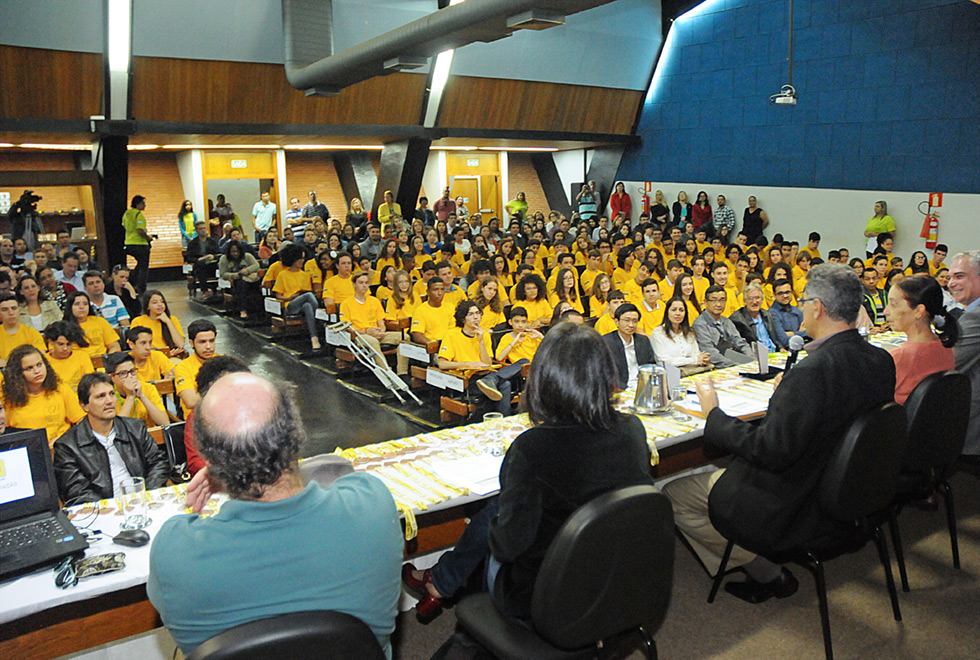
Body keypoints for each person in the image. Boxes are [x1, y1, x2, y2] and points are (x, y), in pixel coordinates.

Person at [663, 264, 896, 602]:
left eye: (803, 301)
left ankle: (765, 570)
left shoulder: (811, 373)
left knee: (676, 493)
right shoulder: (880, 360)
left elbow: (770, 450)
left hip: (797, 498)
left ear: (817, 307)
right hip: (850, 488)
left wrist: (714, 415)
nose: (801, 307)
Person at [403, 323, 655, 620]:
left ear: (544, 378)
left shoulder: (532, 447)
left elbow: (506, 545)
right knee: (503, 509)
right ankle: (442, 581)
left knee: (496, 515)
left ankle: (444, 583)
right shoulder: (632, 429)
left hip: (545, 594)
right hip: (613, 573)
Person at [147, 373, 402, 657]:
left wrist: (233, 469)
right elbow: (341, 475)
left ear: (209, 460)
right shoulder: (373, 505)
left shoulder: (174, 552)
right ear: (297, 434)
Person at [51, 372, 168, 506]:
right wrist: (112, 507)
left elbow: (158, 463)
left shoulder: (135, 428)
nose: (109, 401)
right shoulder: (67, 446)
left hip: (143, 501)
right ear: (84, 405)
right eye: (101, 396)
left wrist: (145, 495)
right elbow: (76, 492)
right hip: (102, 510)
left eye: (112, 394)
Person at [437, 300, 526, 414]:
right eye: (471, 314)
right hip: (467, 378)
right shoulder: (452, 335)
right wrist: (468, 364)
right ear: (463, 319)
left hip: (487, 374)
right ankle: (503, 421)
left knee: (523, 362)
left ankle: (492, 380)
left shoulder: (484, 335)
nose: (476, 317)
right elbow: (442, 364)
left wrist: (481, 342)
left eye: (478, 313)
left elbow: (487, 363)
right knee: (505, 384)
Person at [884, 275, 958, 405]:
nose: (886, 311)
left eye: (893, 305)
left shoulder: (898, 358)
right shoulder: (947, 349)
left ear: (918, 311)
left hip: (901, 423)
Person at [2, 344, 86, 447]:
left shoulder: (60, 389)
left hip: (62, 448)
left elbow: (82, 421)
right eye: (29, 368)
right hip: (26, 451)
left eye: (39, 365)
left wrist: (64, 440)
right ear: (18, 373)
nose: (37, 371)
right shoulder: (7, 398)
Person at [340, 271, 407, 374]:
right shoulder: (346, 304)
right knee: (372, 341)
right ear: (354, 284)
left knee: (405, 337)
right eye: (361, 283)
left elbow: (381, 322)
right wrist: (367, 331)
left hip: (376, 333)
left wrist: (380, 331)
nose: (364, 285)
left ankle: (402, 372)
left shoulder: (374, 301)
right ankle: (387, 372)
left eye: (366, 283)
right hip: (360, 336)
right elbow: (348, 328)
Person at [948, 251, 980, 462]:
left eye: (959, 276)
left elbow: (947, 363)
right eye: (950, 277)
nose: (951, 283)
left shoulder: (975, 318)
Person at [272, 244, 322, 354]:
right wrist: (289, 297)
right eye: (300, 259)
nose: (302, 261)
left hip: (303, 303)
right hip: (290, 305)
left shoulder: (305, 275)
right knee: (309, 295)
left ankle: (314, 339)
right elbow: (278, 295)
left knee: (308, 305)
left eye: (303, 258)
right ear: (293, 259)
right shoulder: (283, 275)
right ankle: (318, 315)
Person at [692, 285, 754, 368]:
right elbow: (711, 353)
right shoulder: (700, 324)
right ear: (705, 302)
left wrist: (752, 359)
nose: (718, 304)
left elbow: (740, 342)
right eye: (714, 300)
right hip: (716, 367)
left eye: (722, 300)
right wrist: (737, 365)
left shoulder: (726, 321)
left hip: (736, 362)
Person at [104, 351, 170, 428]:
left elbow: (165, 422)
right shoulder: (107, 396)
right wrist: (130, 397)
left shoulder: (148, 388)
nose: (130, 377)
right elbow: (116, 430)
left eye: (132, 371)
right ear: (112, 377)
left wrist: (142, 396)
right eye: (123, 373)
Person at [601, 303, 656, 390]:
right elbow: (605, 373)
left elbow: (651, 365)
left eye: (635, 321)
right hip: (621, 389)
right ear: (617, 322)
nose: (631, 325)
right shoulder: (606, 342)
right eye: (627, 320)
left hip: (644, 386)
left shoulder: (643, 340)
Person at [174, 320, 217, 418]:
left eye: (211, 341)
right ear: (192, 343)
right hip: (197, 424)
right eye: (202, 342)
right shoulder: (183, 368)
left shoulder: (222, 361)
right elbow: (191, 401)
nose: (208, 346)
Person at [652, 297, 712, 369]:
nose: (678, 313)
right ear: (667, 312)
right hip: (669, 374)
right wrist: (694, 360)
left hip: (692, 372)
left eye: (681, 310)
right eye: (674, 310)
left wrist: (703, 359)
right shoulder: (658, 333)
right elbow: (664, 361)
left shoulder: (689, 332)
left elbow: (696, 353)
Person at [729, 283, 790, 352]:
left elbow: (774, 339)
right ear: (745, 301)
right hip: (756, 356)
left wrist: (781, 348)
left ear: (762, 300)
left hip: (774, 354)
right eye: (750, 298)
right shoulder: (737, 319)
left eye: (757, 298)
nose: (754, 302)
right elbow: (741, 347)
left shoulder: (767, 315)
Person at [63, 291, 120, 359]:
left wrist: (107, 361)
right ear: (70, 307)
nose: (81, 307)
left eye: (85, 304)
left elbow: (114, 346)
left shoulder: (100, 321)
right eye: (77, 304)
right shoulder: (63, 327)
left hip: (102, 364)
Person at [130, 290, 186, 357]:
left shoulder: (172, 319)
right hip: (148, 357)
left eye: (162, 302)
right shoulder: (138, 321)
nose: (160, 304)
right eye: (155, 302)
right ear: (147, 306)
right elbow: (134, 346)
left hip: (171, 358)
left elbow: (181, 344)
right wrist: (165, 354)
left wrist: (168, 322)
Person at [43, 321, 95, 391]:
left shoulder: (82, 356)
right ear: (50, 342)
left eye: (68, 344)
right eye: (60, 344)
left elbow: (90, 383)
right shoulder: (44, 360)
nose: (65, 348)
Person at [218, 240, 261, 319]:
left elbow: (256, 265)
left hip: (250, 278)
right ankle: (243, 309)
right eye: (233, 251)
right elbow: (223, 273)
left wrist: (248, 270)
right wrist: (233, 275)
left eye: (237, 251)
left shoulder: (247, 256)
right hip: (235, 281)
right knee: (241, 285)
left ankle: (259, 309)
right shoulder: (224, 259)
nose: (235, 253)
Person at [185, 219, 222, 300]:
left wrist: (213, 256)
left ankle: (221, 290)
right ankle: (205, 290)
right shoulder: (192, 243)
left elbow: (219, 253)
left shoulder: (212, 241)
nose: (203, 230)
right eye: (200, 229)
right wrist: (199, 259)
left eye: (204, 228)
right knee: (201, 266)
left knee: (219, 266)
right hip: (200, 264)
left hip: (212, 263)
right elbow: (189, 257)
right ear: (197, 231)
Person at [122, 195, 152, 294]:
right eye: (143, 203)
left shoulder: (127, 214)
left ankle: (131, 280)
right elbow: (140, 230)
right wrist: (148, 238)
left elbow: (124, 226)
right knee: (144, 267)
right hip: (140, 244)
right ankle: (141, 287)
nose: (145, 205)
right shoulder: (139, 215)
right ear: (138, 204)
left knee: (140, 264)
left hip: (128, 243)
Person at [860, 268, 889, 332]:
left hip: (886, 329)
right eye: (867, 279)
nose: (871, 281)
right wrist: (870, 328)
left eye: (874, 278)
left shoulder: (884, 293)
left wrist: (888, 324)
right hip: (871, 330)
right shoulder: (860, 296)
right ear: (862, 280)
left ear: (878, 279)